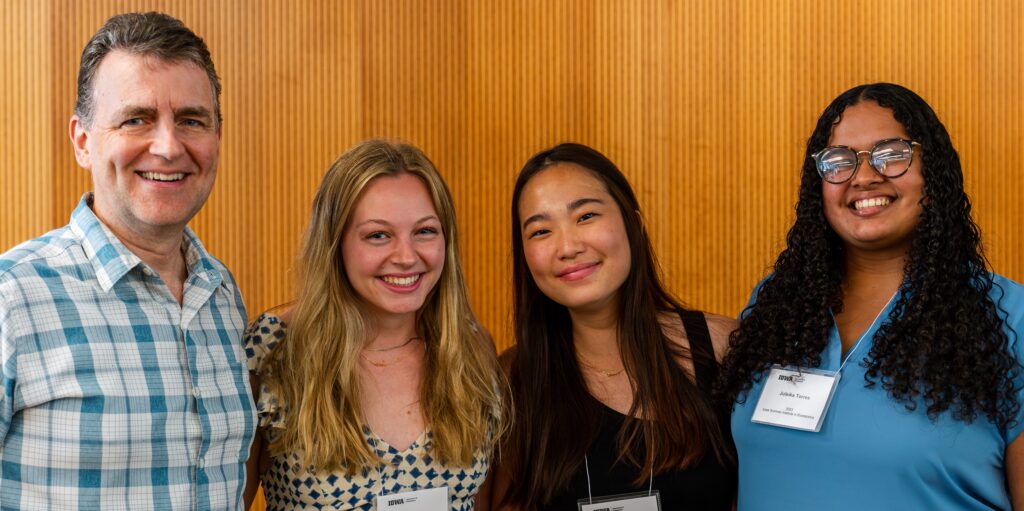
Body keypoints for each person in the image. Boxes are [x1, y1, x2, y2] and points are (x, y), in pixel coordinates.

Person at [718, 83, 1024, 510]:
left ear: (932, 173)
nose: (864, 176)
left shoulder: (1011, 317)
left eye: (892, 153)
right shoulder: (775, 305)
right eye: (839, 161)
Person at [0, 12, 255, 510]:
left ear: (217, 139)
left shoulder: (221, 294)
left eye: (191, 121)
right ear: (82, 140)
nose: (168, 146)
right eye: (135, 119)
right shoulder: (11, 298)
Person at [242, 139, 505, 510]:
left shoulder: (470, 345)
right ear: (336, 244)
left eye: (425, 231)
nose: (406, 256)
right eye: (378, 235)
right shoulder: (274, 348)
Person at [488, 143, 737, 510]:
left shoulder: (721, 347)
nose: (567, 246)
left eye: (586, 216)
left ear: (633, 223)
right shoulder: (515, 380)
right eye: (540, 231)